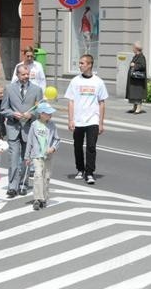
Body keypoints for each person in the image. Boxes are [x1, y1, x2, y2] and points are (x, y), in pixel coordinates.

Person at [0, 64, 43, 197]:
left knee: (26, 158)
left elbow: (40, 109)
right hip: (13, 127)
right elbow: (3, 109)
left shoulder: (37, 89)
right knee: (13, 158)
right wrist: (13, 114)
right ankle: (12, 186)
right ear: (17, 75)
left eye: (27, 74)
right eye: (23, 74)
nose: (26, 76)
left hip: (28, 129)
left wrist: (32, 115)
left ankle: (24, 184)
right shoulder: (9, 88)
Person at [65, 54, 108, 185]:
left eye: (82, 63)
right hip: (78, 120)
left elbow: (102, 102)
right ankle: (80, 169)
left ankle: (89, 172)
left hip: (92, 120)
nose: (80, 65)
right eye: (79, 63)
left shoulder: (98, 82)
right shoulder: (75, 81)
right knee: (77, 146)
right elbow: (71, 101)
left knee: (91, 147)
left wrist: (100, 123)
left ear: (90, 65)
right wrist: (70, 119)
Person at [25, 103, 60, 211]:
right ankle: (37, 199)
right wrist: (27, 156)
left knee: (46, 177)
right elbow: (30, 141)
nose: (51, 115)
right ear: (41, 114)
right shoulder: (34, 125)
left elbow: (57, 139)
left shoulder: (52, 125)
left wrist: (53, 148)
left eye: (51, 113)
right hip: (37, 155)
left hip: (48, 155)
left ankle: (44, 198)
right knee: (38, 175)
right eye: (48, 113)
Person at [126, 42, 147, 114]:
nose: (132, 49)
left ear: (136, 48)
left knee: (137, 93)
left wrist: (134, 65)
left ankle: (138, 108)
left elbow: (142, 66)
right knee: (133, 93)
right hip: (134, 79)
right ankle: (134, 107)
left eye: (133, 48)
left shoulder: (141, 56)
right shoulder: (136, 56)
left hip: (138, 80)